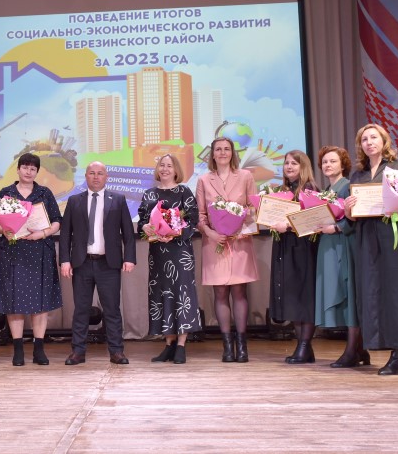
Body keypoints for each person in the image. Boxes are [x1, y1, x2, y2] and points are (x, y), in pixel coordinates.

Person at [344, 124, 398, 375]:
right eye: (364, 139)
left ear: (384, 140)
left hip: (392, 236)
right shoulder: (358, 175)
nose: (369, 142)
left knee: (397, 292)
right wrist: (348, 210)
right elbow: (351, 217)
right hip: (366, 239)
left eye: (373, 137)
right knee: (373, 292)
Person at [59, 161, 136, 365]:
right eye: (92, 173)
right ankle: (78, 351)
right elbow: (65, 234)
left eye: (100, 173)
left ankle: (117, 351)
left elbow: (128, 233)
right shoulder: (74, 201)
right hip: (81, 263)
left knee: (112, 309)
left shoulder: (117, 200)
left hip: (108, 264)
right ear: (85, 176)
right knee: (81, 309)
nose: (95, 177)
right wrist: (65, 260)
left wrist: (129, 257)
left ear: (106, 177)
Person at [0, 153, 63, 366]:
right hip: (14, 252)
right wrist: (4, 230)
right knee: (14, 302)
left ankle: (39, 349)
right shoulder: (6, 193)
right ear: (18, 169)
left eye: (33, 169)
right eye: (25, 167)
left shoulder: (44, 193)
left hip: (40, 251)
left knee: (40, 302)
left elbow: (57, 221)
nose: (29, 172)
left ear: (37, 172)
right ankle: (18, 350)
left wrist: (43, 233)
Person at [196, 137, 259, 363]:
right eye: (218, 149)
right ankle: (227, 347)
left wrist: (240, 230)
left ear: (233, 153)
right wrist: (211, 233)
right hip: (215, 243)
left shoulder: (246, 176)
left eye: (227, 149)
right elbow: (200, 216)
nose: (222, 152)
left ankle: (242, 346)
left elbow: (253, 207)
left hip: (240, 242)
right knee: (220, 293)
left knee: (240, 292)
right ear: (212, 154)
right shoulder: (204, 180)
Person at [137, 154, 200, 364]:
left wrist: (175, 233)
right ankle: (169, 344)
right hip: (158, 254)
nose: (164, 169)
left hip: (180, 252)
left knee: (182, 295)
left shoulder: (184, 191)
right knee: (161, 295)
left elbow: (193, 219)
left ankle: (181, 346)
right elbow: (142, 222)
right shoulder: (149, 194)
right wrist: (146, 227)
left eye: (169, 166)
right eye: (161, 165)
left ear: (176, 170)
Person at [313, 146, 369, 368]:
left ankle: (352, 351)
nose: (328, 165)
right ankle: (360, 349)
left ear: (343, 164)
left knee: (348, 293)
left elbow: (356, 217)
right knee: (341, 291)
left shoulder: (348, 186)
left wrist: (336, 228)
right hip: (329, 244)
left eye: (333, 161)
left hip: (344, 243)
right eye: (325, 162)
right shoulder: (327, 189)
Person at [269, 150, 319, 364]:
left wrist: (287, 226)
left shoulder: (310, 189)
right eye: (286, 163)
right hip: (285, 246)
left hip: (302, 248)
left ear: (303, 167)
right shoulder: (283, 190)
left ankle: (304, 346)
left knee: (303, 297)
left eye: (294, 163)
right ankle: (304, 347)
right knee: (291, 297)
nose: (289, 167)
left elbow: (314, 221)